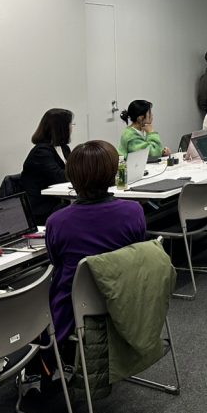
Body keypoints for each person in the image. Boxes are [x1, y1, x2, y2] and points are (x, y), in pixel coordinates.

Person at [45, 140, 146, 346]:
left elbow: (56, 263)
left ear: (72, 176)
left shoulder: (57, 222)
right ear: (113, 173)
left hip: (74, 309)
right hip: (125, 297)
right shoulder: (133, 211)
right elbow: (137, 253)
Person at [21, 108, 74, 224]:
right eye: (70, 124)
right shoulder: (41, 152)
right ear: (61, 128)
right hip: (43, 207)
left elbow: (72, 171)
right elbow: (60, 177)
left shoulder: (64, 148)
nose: (71, 128)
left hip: (59, 202)